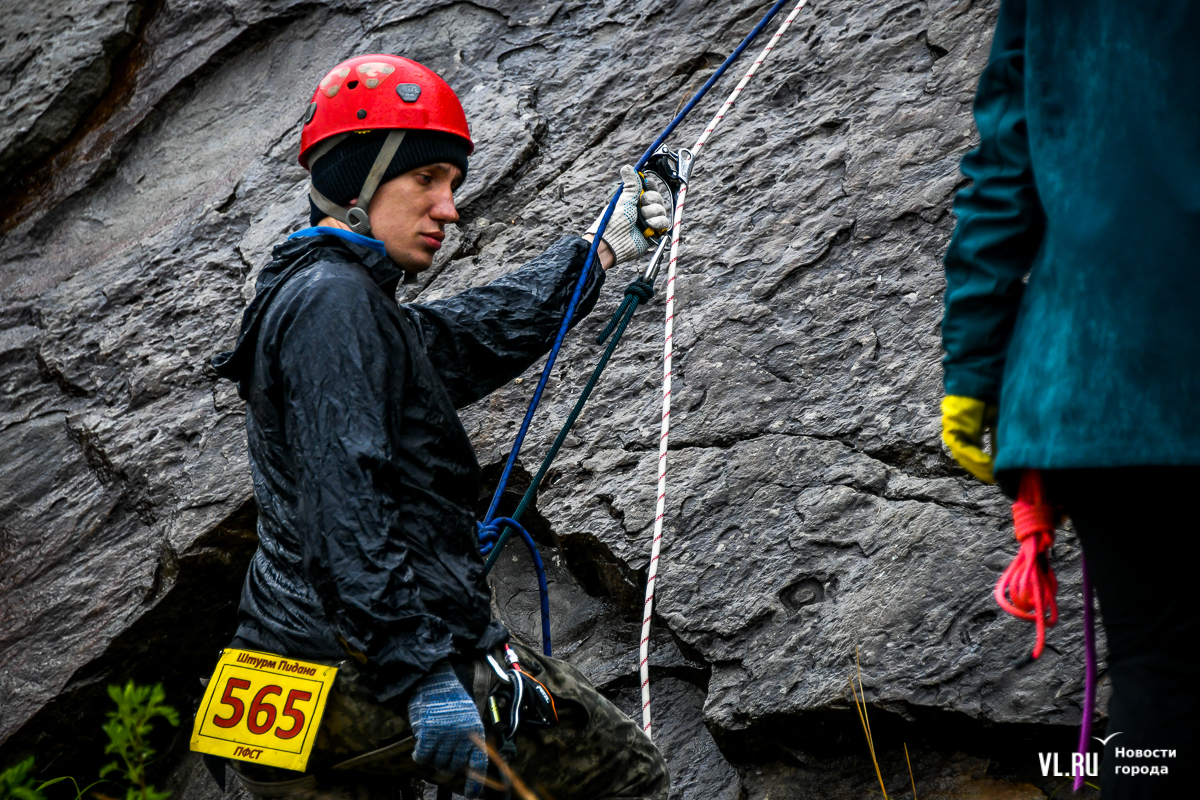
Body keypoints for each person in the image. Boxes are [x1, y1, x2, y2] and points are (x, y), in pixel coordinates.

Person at [210, 54, 670, 800]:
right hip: (360, 667)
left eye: (451, 185)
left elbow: (460, 342)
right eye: (426, 179)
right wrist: (425, 673)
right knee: (623, 772)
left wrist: (599, 252)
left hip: (278, 669)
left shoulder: (319, 292)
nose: (449, 209)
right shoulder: (335, 303)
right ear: (360, 182)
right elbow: (347, 500)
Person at [939, 2, 1199, 797]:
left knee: (1158, 681)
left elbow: (1003, 168)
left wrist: (972, 373)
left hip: (1093, 379)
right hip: (1120, 383)